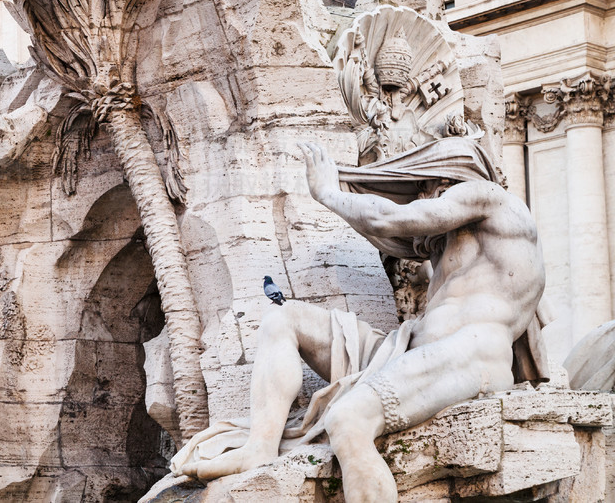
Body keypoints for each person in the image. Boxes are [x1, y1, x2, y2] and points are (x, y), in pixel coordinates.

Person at [174, 137, 548, 503]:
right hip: (406, 348)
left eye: (425, 187)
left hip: (472, 353)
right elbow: (392, 232)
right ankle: (260, 446)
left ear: (448, 179)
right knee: (284, 319)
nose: (421, 198)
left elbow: (389, 219)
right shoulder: (453, 244)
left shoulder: (489, 198)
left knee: (347, 420)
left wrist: (329, 193)